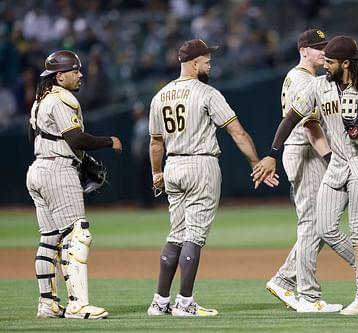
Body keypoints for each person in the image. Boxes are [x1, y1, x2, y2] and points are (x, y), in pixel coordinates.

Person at [252, 35, 358, 315]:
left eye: (330, 61)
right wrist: (271, 153)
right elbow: (291, 118)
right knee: (324, 227)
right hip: (337, 165)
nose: (325, 64)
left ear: (345, 63)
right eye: (323, 58)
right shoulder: (317, 85)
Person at [147, 38, 278, 317]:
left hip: (172, 166)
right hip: (200, 165)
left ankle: (159, 302)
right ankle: (184, 303)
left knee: (176, 235)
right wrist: (257, 163)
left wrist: (156, 171)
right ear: (194, 64)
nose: (210, 64)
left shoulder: (160, 96)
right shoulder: (207, 93)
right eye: (207, 61)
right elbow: (238, 133)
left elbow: (155, 143)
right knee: (193, 236)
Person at [26, 50, 122, 319]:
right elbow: (76, 139)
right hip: (57, 170)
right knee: (78, 234)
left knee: (49, 239)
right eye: (75, 71)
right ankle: (78, 305)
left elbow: (32, 139)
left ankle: (48, 304)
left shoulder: (40, 101)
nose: (80, 75)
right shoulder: (62, 99)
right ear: (60, 76)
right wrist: (108, 141)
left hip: (37, 169)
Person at [265, 28, 343, 313]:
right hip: (306, 153)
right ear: (304, 51)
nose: (324, 51)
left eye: (325, 46)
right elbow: (310, 127)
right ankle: (308, 295)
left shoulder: (303, 77)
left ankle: (284, 278)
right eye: (318, 47)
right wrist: (332, 159)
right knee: (313, 224)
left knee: (319, 224)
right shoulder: (302, 80)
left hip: (303, 153)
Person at [130, 100, 154, 208]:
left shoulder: (144, 123)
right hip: (142, 157)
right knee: (143, 181)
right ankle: (145, 202)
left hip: (146, 157)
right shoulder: (139, 123)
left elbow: (144, 141)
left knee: (146, 180)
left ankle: (148, 202)